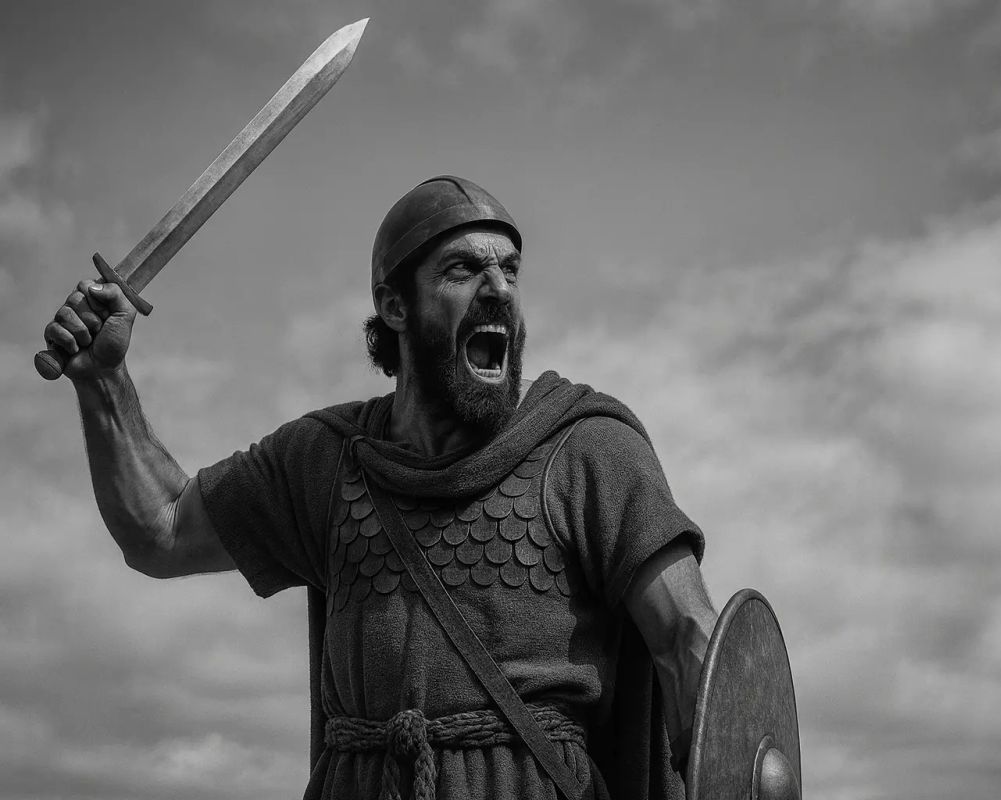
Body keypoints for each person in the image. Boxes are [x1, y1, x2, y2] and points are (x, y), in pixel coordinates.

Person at [44, 175, 718, 800]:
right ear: (395, 306)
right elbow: (161, 528)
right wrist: (104, 384)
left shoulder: (586, 449)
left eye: (509, 270)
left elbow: (692, 645)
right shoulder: (324, 463)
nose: (499, 289)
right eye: (463, 269)